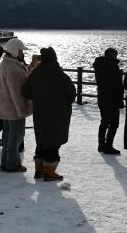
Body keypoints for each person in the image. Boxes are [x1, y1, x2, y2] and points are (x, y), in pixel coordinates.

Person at [23, 47, 76, 181]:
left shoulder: (35, 74)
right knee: (54, 142)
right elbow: (71, 94)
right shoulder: (60, 75)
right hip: (58, 114)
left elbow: (25, 92)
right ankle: (49, 172)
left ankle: (39, 169)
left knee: (42, 140)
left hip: (40, 113)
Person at [0, 38, 31, 172]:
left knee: (7, 138)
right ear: (15, 50)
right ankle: (12, 164)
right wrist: (22, 110)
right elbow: (17, 92)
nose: (23, 53)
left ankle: (5, 162)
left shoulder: (5, 63)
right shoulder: (13, 68)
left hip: (6, 109)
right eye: (21, 50)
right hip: (14, 110)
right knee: (15, 137)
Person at [93, 48, 124, 155]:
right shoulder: (113, 67)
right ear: (113, 55)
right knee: (114, 123)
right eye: (116, 55)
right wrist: (120, 100)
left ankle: (101, 145)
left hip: (102, 97)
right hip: (112, 98)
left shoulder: (99, 65)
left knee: (104, 122)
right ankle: (108, 146)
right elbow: (117, 85)